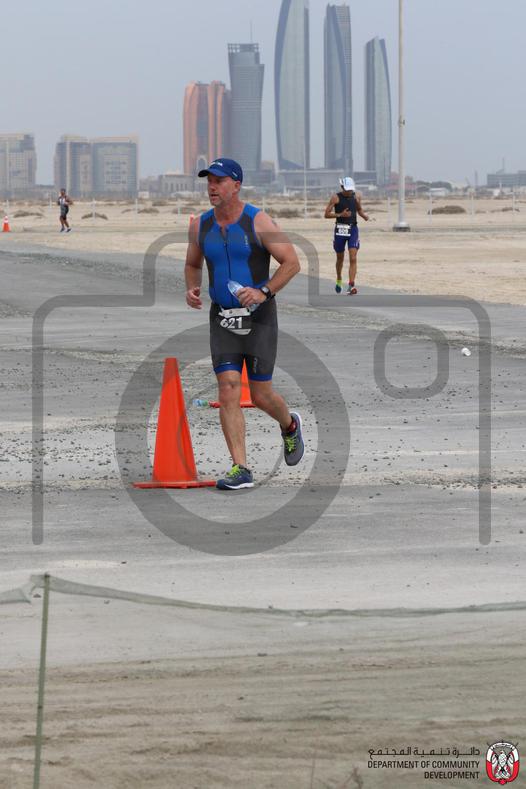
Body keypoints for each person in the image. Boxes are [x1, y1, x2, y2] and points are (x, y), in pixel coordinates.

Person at [184, 157, 304, 490]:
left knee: (262, 395)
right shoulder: (200, 225)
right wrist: (192, 287)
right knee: (228, 389)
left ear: (236, 185)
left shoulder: (258, 221)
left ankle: (289, 425)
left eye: (219, 181)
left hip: (258, 318)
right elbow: (192, 264)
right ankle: (241, 468)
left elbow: (291, 263)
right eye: (209, 181)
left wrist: (264, 291)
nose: (212, 187)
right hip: (222, 317)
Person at [324, 176, 368, 294]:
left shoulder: (356, 196)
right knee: (340, 258)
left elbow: (359, 209)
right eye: (347, 189)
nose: (349, 192)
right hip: (340, 230)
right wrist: (340, 215)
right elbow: (326, 214)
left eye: (351, 189)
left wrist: (364, 216)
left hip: (353, 229)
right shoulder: (335, 197)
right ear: (342, 187)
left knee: (353, 257)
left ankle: (351, 285)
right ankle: (339, 279)